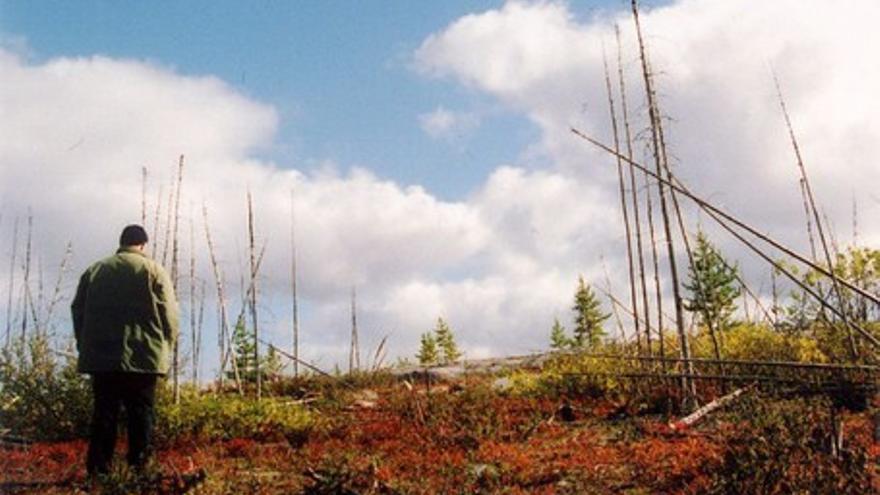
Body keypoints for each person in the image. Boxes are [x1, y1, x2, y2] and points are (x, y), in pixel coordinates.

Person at [71, 224, 178, 476]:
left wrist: (84, 344)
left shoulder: (95, 270)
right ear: (143, 245)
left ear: (122, 243)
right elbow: (170, 315)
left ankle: (98, 472)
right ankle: (140, 470)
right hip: (145, 358)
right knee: (141, 415)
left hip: (102, 358)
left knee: (104, 414)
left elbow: (78, 310)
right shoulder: (154, 270)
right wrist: (167, 345)